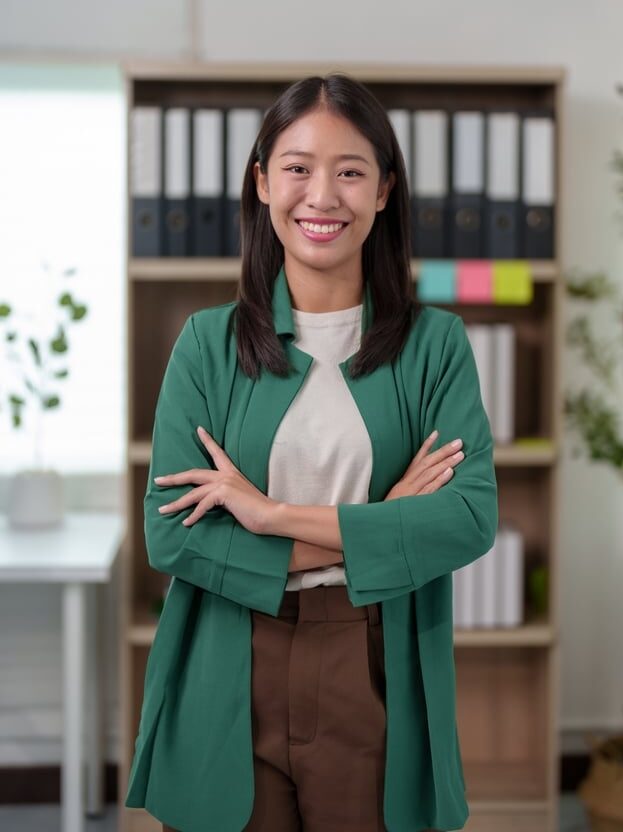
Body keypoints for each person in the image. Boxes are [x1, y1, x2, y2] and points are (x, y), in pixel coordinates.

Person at [124, 72, 498, 832]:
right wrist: (376, 525)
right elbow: (171, 534)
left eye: (350, 171)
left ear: (384, 191)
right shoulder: (206, 345)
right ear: (262, 183)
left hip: (371, 660)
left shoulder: (435, 348)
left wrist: (267, 516)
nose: (321, 195)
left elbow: (467, 519)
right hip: (229, 656)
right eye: (296, 167)